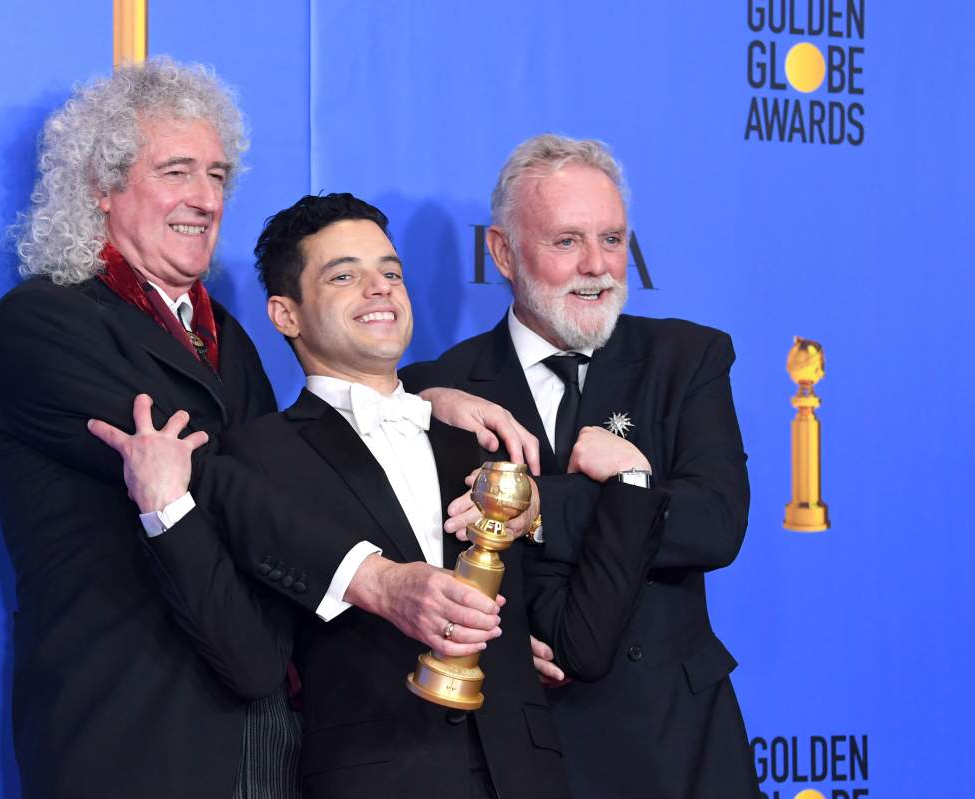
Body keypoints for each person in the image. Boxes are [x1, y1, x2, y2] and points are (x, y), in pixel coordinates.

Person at [0, 59, 533, 798]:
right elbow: (214, 480)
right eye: (177, 172)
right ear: (102, 188)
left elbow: (298, 478)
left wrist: (422, 398)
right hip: (133, 734)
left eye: (217, 175)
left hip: (266, 731)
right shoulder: (43, 324)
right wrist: (375, 580)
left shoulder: (226, 338)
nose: (205, 198)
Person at [91, 193, 670, 799]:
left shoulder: (483, 444)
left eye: (391, 272)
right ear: (285, 315)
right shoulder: (254, 459)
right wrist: (166, 510)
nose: (379, 289)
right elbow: (249, 660)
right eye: (345, 275)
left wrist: (631, 486)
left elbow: (581, 644)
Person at [401, 135, 760, 798]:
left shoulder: (687, 359)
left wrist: (535, 507)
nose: (598, 266)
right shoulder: (441, 388)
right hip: (521, 746)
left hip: (676, 743)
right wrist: (506, 652)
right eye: (567, 241)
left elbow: (716, 522)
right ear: (503, 253)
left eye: (614, 239)